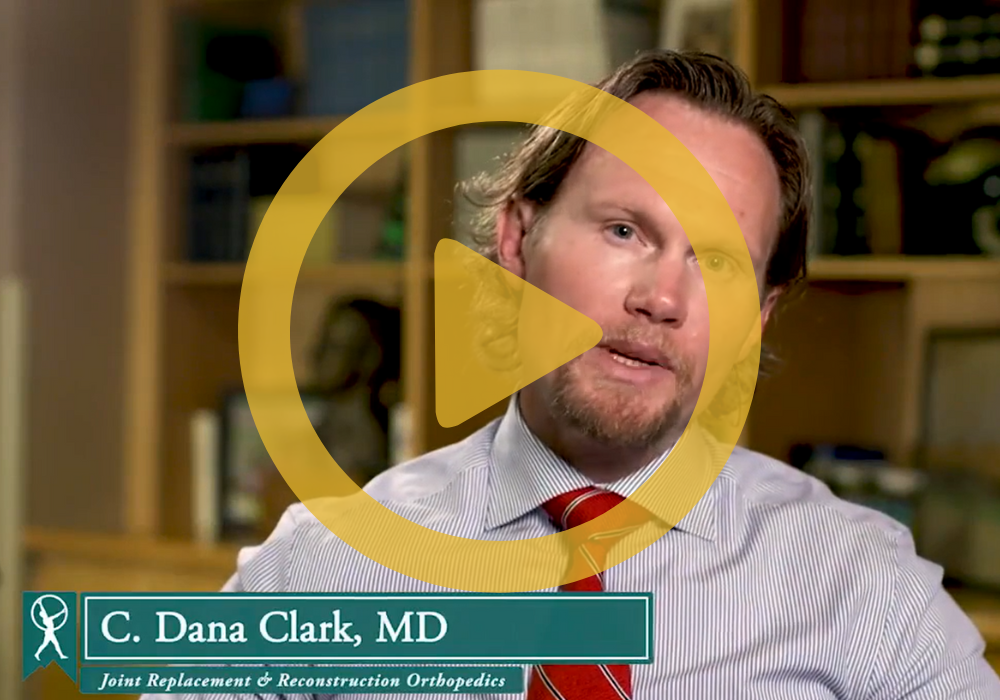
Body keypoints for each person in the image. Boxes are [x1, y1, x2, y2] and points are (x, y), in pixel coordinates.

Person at [143, 50, 1000, 699]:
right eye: (625, 230)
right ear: (517, 239)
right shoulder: (321, 572)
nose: (662, 298)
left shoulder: (861, 589)